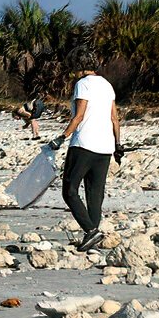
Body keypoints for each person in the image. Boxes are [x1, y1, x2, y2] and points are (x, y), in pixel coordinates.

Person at [50, 56, 120, 252]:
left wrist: (62, 137)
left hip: (83, 144)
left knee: (69, 190)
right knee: (95, 194)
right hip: (105, 147)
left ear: (80, 69)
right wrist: (118, 144)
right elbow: (114, 118)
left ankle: (90, 230)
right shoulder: (107, 85)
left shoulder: (83, 84)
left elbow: (79, 116)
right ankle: (93, 240)